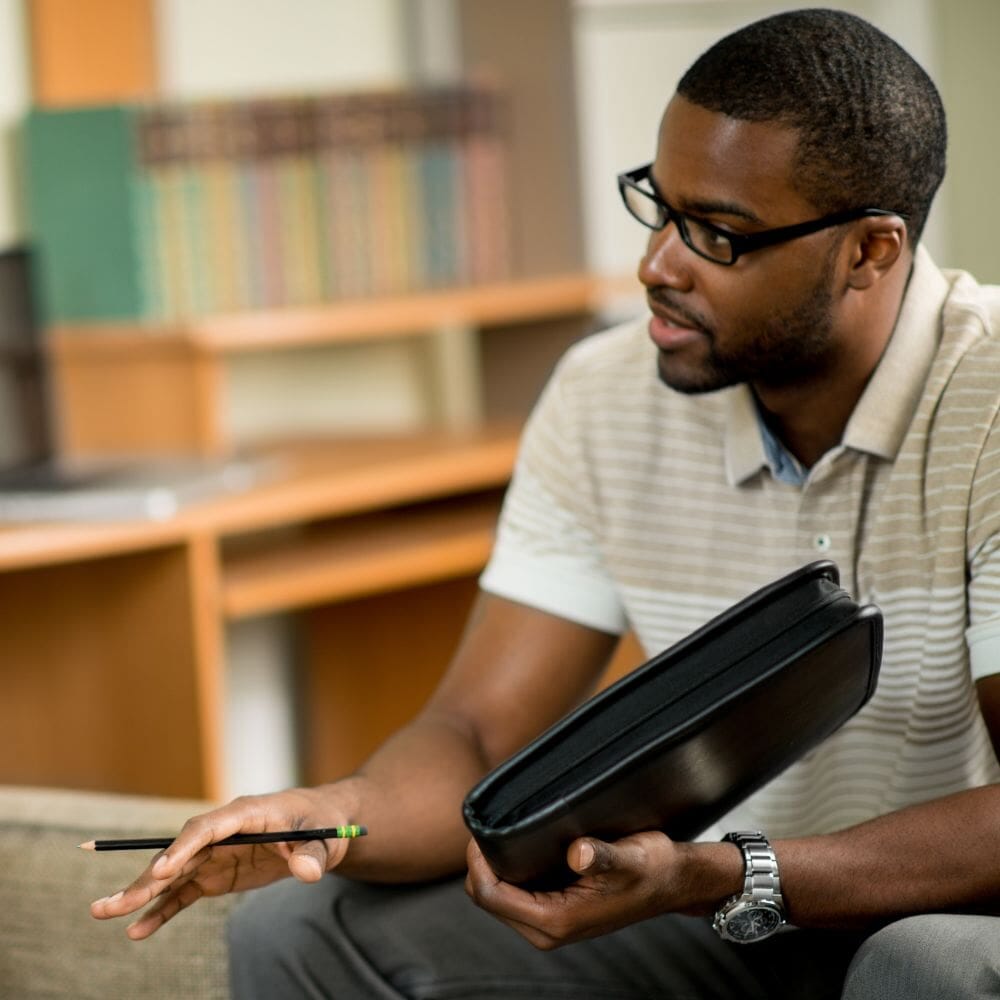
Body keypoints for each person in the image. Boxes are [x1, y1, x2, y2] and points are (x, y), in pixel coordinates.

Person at [91, 9, 1000, 998]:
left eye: (716, 235)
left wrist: (725, 874)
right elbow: (479, 733)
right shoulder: (602, 393)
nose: (657, 264)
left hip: (949, 911)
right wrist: (327, 813)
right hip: (718, 904)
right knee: (305, 926)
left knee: (917, 967)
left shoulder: (987, 400)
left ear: (868, 252)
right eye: (659, 205)